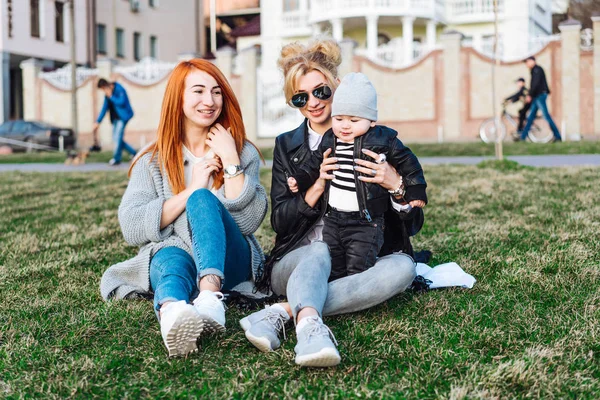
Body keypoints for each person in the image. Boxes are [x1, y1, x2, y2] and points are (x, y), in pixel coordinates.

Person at [239, 39, 425, 368]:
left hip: (359, 258)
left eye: (320, 91)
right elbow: (280, 223)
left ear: (336, 86)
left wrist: (394, 184)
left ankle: (282, 313)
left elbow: (412, 224)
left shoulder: (377, 139)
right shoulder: (286, 146)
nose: (313, 102)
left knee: (404, 268)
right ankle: (310, 325)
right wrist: (318, 184)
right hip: (297, 262)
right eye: (300, 97)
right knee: (320, 250)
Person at [99, 59, 268, 358]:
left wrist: (230, 161)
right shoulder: (152, 159)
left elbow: (248, 221)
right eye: (199, 91)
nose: (210, 101)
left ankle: (209, 297)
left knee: (202, 201)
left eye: (217, 92)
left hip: (233, 260)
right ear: (178, 98)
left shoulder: (242, 151)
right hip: (177, 255)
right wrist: (190, 189)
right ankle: (172, 312)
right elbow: (132, 224)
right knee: (169, 257)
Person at [287, 72, 427, 282]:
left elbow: (409, 163)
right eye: (339, 118)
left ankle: (355, 292)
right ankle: (337, 288)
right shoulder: (330, 139)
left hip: (365, 222)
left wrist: (415, 190)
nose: (344, 125)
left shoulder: (383, 139)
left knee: (358, 265)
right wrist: (301, 179)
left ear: (371, 121)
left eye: (353, 120)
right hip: (333, 219)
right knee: (334, 264)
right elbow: (314, 163)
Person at [93, 78, 137, 165]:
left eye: (102, 89)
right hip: (115, 119)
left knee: (117, 138)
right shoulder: (107, 95)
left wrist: (111, 97)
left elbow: (121, 102)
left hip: (123, 117)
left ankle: (117, 159)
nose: (103, 91)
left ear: (105, 86)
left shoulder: (119, 89)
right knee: (117, 139)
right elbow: (104, 108)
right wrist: (97, 122)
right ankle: (134, 153)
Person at [519, 56, 561, 142]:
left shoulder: (537, 70)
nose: (526, 64)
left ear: (532, 61)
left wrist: (529, 95)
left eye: (527, 62)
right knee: (530, 117)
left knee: (546, 116)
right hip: (536, 96)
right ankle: (523, 137)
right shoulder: (534, 70)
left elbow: (535, 84)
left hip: (540, 96)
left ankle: (558, 136)